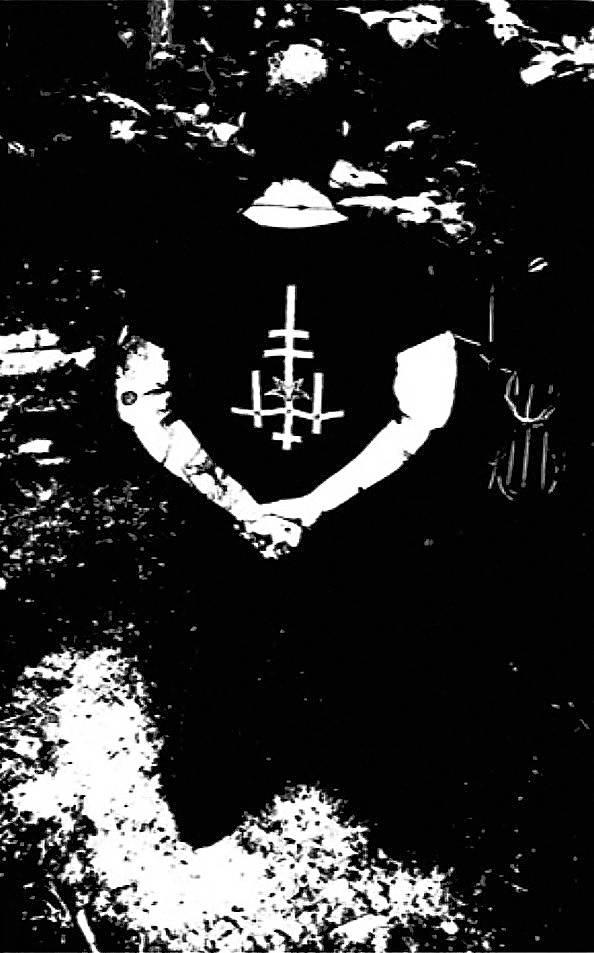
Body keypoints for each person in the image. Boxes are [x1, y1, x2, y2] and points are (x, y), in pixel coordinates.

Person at [113, 39, 499, 860]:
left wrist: (241, 504)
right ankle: (389, 799)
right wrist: (313, 507)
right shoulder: (402, 261)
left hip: (224, 530)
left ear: (247, 131)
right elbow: (425, 412)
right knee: (365, 644)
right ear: (343, 132)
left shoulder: (183, 253)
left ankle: (207, 802)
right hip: (351, 532)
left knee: (221, 648)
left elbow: (140, 400)